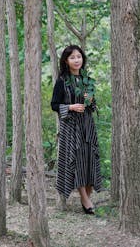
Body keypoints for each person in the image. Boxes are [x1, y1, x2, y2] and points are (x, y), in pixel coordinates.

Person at [51, 45, 102, 215]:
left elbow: (92, 107)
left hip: (87, 126)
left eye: (79, 56)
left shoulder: (87, 80)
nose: (76, 60)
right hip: (71, 128)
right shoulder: (62, 81)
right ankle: (86, 201)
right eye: (72, 57)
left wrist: (91, 100)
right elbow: (54, 105)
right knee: (77, 162)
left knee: (89, 160)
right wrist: (71, 107)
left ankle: (85, 199)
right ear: (66, 61)